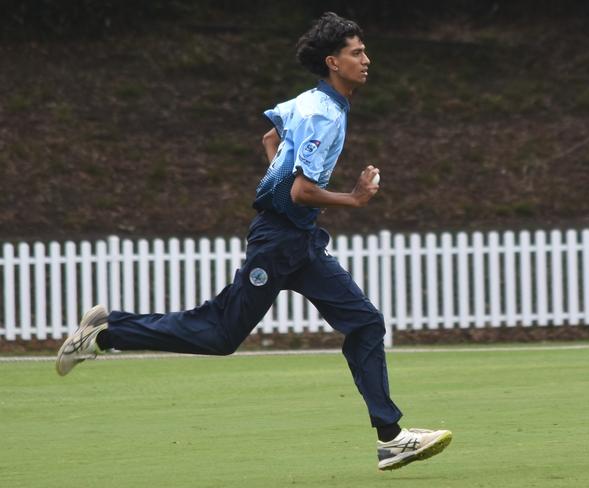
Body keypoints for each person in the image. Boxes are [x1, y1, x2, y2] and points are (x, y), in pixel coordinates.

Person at [55, 12, 452, 471]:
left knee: (364, 322)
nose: (367, 59)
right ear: (333, 62)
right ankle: (106, 334)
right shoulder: (325, 115)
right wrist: (355, 198)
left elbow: (271, 135)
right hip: (279, 241)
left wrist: (281, 184)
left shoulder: (309, 101)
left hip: (298, 239)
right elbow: (302, 189)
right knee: (221, 333)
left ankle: (391, 437)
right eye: (356, 53)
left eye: (363, 51)